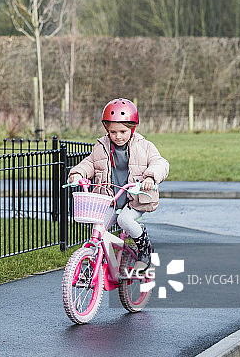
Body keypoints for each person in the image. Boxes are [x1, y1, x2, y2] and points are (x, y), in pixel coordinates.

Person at [67, 98, 169, 268]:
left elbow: (161, 163)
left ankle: (145, 248)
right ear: (107, 129)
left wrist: (150, 177)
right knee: (99, 229)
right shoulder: (101, 146)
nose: (118, 136)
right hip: (110, 200)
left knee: (125, 220)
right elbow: (89, 163)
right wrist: (77, 173)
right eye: (113, 132)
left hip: (135, 199)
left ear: (132, 128)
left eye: (123, 131)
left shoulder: (144, 146)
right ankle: (98, 266)